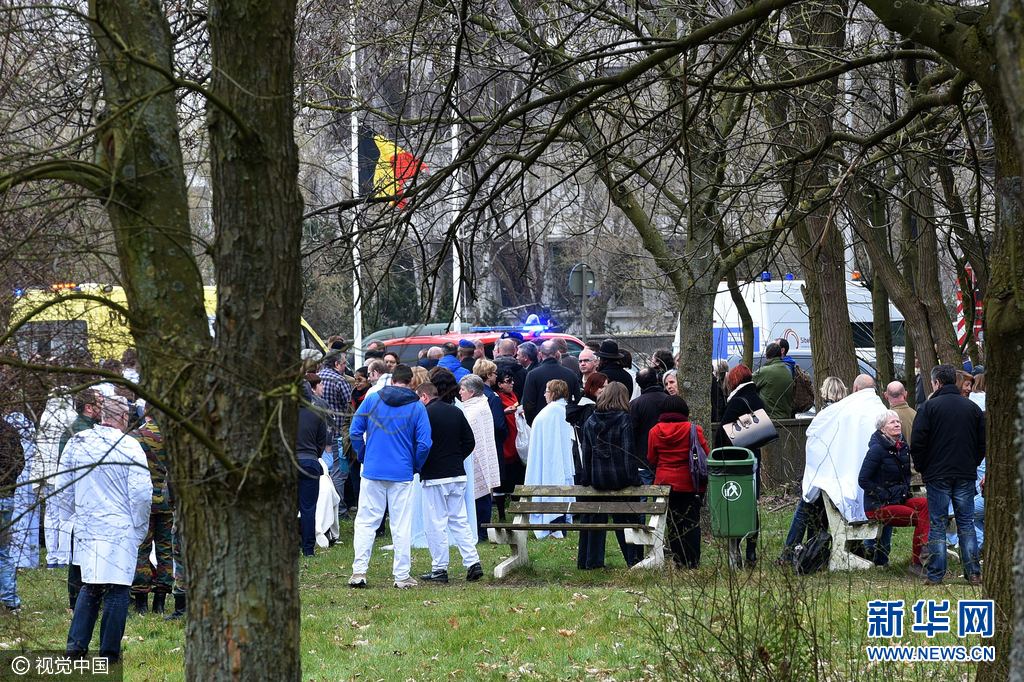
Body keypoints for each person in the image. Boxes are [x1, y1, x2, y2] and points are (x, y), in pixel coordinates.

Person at [60, 396, 150, 662]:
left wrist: (71, 516)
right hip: (121, 526)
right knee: (118, 590)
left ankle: (75, 647)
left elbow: (63, 486)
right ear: (123, 417)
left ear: (101, 416)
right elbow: (142, 495)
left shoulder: (78, 442)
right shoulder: (130, 446)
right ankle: (109, 654)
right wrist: (140, 526)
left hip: (88, 525)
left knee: (90, 586)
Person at [348, 364, 432, 589]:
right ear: (411, 382)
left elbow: (355, 431)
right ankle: (401, 575)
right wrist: (415, 465)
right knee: (401, 524)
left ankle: (359, 572)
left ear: (392, 380)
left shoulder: (372, 400)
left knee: (366, 521)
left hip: (373, 469)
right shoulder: (417, 407)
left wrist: (364, 455)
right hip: (402, 472)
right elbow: (424, 443)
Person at [911, 364, 985, 586]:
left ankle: (936, 574)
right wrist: (972, 464)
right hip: (964, 472)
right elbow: (981, 443)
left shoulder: (928, 408)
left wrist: (924, 468)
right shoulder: (972, 409)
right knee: (966, 524)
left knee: (938, 524)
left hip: (938, 474)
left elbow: (918, 442)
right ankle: (973, 573)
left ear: (936, 383)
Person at [416, 383, 484, 583]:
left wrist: (419, 464)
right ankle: (473, 562)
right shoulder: (456, 411)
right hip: (457, 473)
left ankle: (439, 568)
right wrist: (456, 458)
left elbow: (421, 444)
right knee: (459, 520)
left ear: (424, 396)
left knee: (435, 523)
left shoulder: (424, 415)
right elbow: (469, 441)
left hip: (434, 475)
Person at [777, 376, 848, 565]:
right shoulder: (845, 415)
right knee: (820, 514)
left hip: (821, 474)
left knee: (804, 511)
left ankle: (788, 555)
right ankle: (816, 554)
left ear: (825, 392)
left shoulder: (824, 416)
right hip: (836, 476)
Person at [859, 410, 930, 575]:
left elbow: (905, 476)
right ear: (882, 429)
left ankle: (925, 547)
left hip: (898, 500)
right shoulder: (877, 449)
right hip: (878, 505)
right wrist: (884, 494)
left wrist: (903, 492)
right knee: (919, 518)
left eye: (898, 421)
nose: (897, 424)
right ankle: (917, 563)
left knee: (926, 504)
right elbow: (863, 480)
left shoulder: (902, 447)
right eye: (892, 422)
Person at [577, 383, 640, 569]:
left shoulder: (590, 421)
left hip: (598, 479)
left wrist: (587, 479)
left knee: (596, 518)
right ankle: (634, 560)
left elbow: (586, 453)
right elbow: (628, 453)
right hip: (620, 479)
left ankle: (592, 562)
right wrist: (634, 479)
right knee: (628, 519)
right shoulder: (624, 420)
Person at [714, 364, 768, 567]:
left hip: (735, 460)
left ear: (734, 381)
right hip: (753, 458)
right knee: (751, 505)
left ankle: (735, 549)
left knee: (735, 503)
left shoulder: (737, 402)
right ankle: (751, 551)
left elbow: (723, 431)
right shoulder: (757, 399)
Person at [648, 395, 709, 568]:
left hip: (664, 483)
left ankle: (679, 560)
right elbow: (706, 453)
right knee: (692, 522)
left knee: (673, 523)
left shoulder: (654, 431)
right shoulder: (694, 430)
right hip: (690, 483)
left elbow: (652, 458)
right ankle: (693, 562)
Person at [60, 389, 104, 611]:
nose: (103, 407)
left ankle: (81, 598)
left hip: (84, 497)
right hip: (83, 498)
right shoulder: (80, 432)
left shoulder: (88, 428)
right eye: (100, 403)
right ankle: (77, 600)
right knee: (79, 553)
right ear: (89, 407)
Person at [129, 409, 173, 613]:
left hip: (143, 502)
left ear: (145, 410)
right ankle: (160, 603)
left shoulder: (135, 436)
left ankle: (141, 603)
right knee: (166, 550)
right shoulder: (173, 436)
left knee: (142, 550)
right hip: (167, 501)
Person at [523, 380, 577, 537]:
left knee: (551, 486)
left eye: (546, 391)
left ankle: (555, 526)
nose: (544, 395)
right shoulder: (565, 410)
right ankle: (559, 525)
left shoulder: (549, 413)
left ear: (553, 393)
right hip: (562, 461)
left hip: (548, 462)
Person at [458, 375, 502, 543]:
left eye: (463, 389)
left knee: (481, 493)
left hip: (479, 456)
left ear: (472, 392)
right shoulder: (475, 404)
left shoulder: (477, 408)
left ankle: (482, 531)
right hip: (474, 455)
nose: (460, 392)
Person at [297, 381, 329, 557]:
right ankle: (308, 548)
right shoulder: (317, 412)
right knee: (308, 508)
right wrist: (313, 455)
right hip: (309, 462)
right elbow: (321, 441)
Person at [318, 352, 353, 512]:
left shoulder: (316, 378)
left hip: (319, 433)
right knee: (339, 472)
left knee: (324, 471)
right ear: (336, 364)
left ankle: (324, 507)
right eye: (344, 363)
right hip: (337, 432)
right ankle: (338, 508)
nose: (345, 366)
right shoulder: (340, 380)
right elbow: (349, 406)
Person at [0, 411, 27, 610]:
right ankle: (10, 600)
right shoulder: (9, 431)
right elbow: (20, 462)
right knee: (3, 551)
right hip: (5, 497)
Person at [521, 341, 581, 426]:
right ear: (557, 354)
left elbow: (528, 404)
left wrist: (532, 422)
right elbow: (577, 399)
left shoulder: (533, 375)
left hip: (542, 422)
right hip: (565, 421)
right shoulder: (570, 374)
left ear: (540, 355)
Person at [630, 368, 669, 486]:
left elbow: (632, 432)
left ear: (639, 384)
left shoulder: (635, 405)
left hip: (643, 458)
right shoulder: (669, 400)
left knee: (644, 493)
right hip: (666, 456)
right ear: (657, 379)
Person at [752, 342, 793, 420]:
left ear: (767, 356)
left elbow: (748, 385)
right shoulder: (788, 371)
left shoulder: (765, 371)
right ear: (781, 355)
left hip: (769, 419)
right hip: (786, 418)